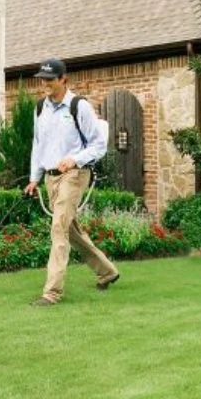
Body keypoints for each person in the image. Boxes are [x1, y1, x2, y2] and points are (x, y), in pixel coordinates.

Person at [24, 58, 120, 306]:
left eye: (49, 79)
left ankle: (51, 293)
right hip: (50, 178)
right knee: (69, 229)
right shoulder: (39, 109)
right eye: (42, 79)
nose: (44, 84)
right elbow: (38, 146)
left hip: (74, 175)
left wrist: (75, 160)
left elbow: (98, 145)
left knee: (58, 228)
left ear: (63, 79)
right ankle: (107, 271)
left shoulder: (79, 106)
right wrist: (34, 179)